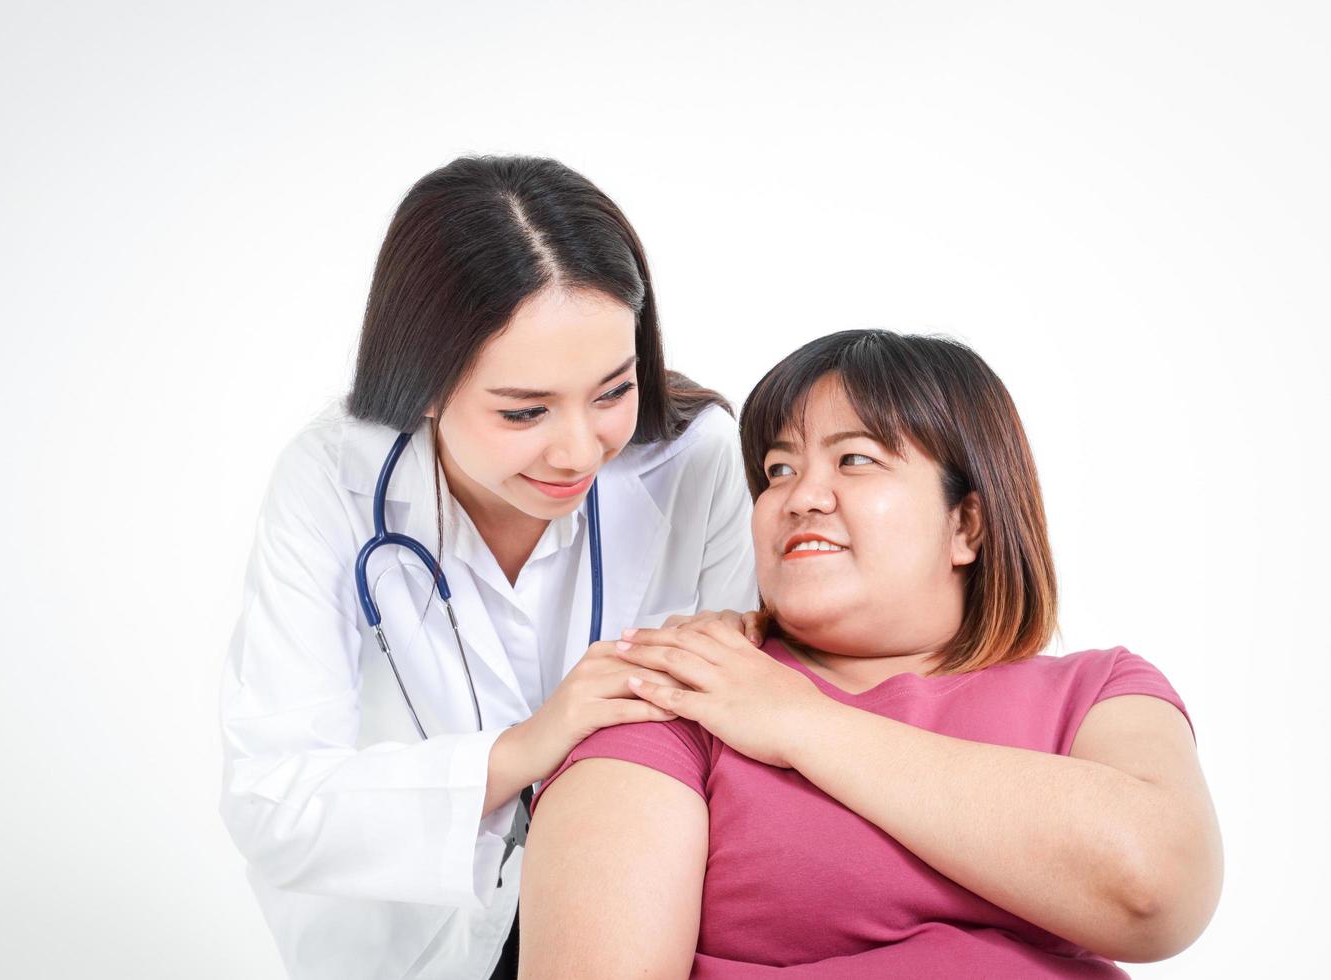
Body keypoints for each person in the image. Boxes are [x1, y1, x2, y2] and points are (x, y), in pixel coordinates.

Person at [520, 329, 1223, 978]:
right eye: (778, 469)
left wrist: (801, 722)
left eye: (854, 459)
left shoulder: (1101, 692)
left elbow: (1155, 891)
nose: (801, 497)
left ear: (966, 524)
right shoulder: (676, 692)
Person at [218, 156, 758, 980]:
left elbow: (744, 742)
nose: (580, 450)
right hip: (418, 940)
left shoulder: (698, 461)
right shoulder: (331, 479)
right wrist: (530, 746)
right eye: (524, 411)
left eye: (613, 392)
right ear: (423, 383)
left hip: (647, 922)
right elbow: (274, 802)